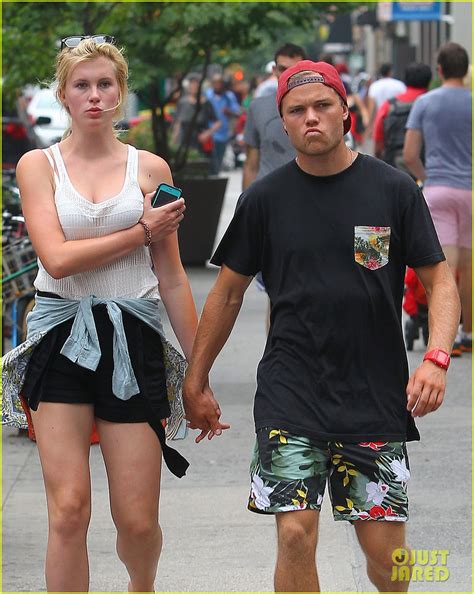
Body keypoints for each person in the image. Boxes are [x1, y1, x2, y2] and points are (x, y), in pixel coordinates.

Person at [183, 60, 460, 593]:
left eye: (322, 106)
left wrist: (436, 356)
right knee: (294, 536)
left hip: (373, 395)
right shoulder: (264, 200)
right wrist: (196, 379)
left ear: (345, 113)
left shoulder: (394, 189)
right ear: (283, 125)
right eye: (297, 111)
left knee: (386, 556)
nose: (311, 118)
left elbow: (441, 281)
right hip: (292, 391)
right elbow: (228, 292)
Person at [2, 36, 198, 593]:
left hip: (132, 337)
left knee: (137, 519)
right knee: (68, 510)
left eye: (104, 85)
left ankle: (142, 586)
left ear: (120, 93)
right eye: (81, 86)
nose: (94, 96)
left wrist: (199, 370)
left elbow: (173, 274)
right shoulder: (38, 166)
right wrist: (140, 231)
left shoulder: (150, 167)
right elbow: (57, 260)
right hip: (60, 332)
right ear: (63, 95)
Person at [404, 42, 472, 357]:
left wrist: (426, 177)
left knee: (446, 268)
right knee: (470, 266)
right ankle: (469, 332)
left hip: (439, 187)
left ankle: (450, 336)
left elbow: (409, 154)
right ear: (466, 69)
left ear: (440, 70)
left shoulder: (425, 103)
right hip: (471, 190)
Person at [242, 43, 306, 189]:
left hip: (307, 191)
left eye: (294, 69)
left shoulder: (317, 108)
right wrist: (245, 206)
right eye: (283, 69)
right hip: (267, 194)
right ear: (274, 70)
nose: (288, 75)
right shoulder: (258, 107)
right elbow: (251, 164)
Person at [373, 62, 432, 173]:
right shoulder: (434, 104)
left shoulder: (389, 105)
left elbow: (378, 141)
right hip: (428, 167)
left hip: (394, 166)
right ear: (429, 81)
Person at [171, 75, 221, 156]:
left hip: (200, 140)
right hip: (184, 139)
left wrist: (207, 133)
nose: (194, 87)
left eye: (196, 85)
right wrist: (174, 138)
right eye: (192, 85)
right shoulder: (183, 102)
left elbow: (218, 122)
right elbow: (178, 122)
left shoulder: (206, 103)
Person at [205, 73, 241, 175]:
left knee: (219, 158)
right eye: (215, 83)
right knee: (211, 159)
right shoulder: (207, 95)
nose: (218, 85)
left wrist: (229, 112)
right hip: (210, 133)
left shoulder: (229, 96)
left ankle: (216, 175)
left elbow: (237, 111)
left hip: (224, 133)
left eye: (219, 83)